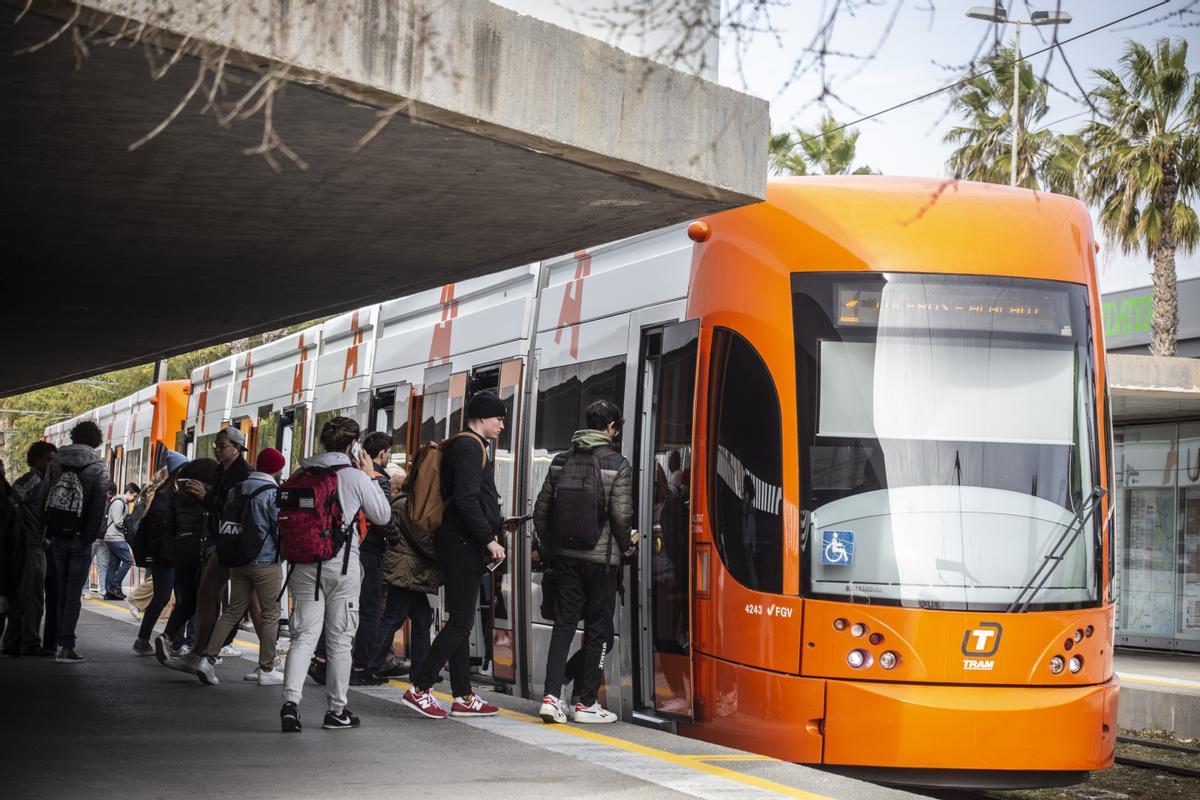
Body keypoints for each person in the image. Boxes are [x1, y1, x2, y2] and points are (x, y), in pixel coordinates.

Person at [401, 391, 508, 720]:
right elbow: (466, 498)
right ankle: (420, 687)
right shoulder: (468, 447)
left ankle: (462, 694)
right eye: (498, 419)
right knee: (461, 620)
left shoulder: (468, 446)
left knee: (461, 620)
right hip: (462, 544)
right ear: (480, 419)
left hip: (460, 542)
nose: (502, 425)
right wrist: (488, 538)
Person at [280, 417, 390, 733]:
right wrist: (369, 474)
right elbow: (382, 515)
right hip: (342, 566)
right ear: (353, 444)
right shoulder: (355, 477)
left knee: (303, 637)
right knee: (340, 640)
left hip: (303, 565)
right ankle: (336, 710)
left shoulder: (302, 474)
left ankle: (290, 705)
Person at [536, 399, 634, 724]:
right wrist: (628, 550)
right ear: (611, 428)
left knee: (563, 626)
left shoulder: (560, 461)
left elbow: (541, 513)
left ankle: (551, 697)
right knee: (598, 630)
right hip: (601, 563)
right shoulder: (617, 463)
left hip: (566, 560)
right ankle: (586, 703)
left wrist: (553, 549)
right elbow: (621, 516)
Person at [165, 426, 264, 670]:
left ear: (237, 448)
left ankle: (266, 662)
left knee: (251, 603)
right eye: (216, 446)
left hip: (238, 545)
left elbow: (234, 510)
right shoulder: (220, 471)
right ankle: (199, 653)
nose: (218, 450)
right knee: (208, 595)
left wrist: (205, 498)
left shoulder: (244, 474)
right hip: (222, 543)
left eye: (223, 446)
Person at [192, 448, 287, 686]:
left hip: (237, 560)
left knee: (233, 611)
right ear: (277, 469)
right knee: (270, 614)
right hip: (264, 562)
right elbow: (279, 527)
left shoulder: (237, 489)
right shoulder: (272, 493)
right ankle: (266, 668)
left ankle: (207, 659)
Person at [40, 420, 110, 663]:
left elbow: (46, 495)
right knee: (72, 593)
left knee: (60, 590)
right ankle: (65, 644)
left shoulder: (57, 461)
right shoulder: (98, 466)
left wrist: (47, 530)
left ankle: (58, 641)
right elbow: (99, 505)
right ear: (95, 440)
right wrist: (88, 536)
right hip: (80, 537)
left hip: (58, 534)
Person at [370, 465, 436, 681]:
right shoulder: (405, 506)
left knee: (421, 618)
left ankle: (421, 671)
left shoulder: (403, 504)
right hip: (405, 572)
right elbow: (421, 541)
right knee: (393, 618)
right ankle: (369, 665)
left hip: (410, 572)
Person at [154, 458, 220, 663]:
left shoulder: (178, 497)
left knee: (188, 600)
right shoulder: (209, 497)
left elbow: (170, 527)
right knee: (210, 601)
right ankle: (204, 651)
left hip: (181, 548)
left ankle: (166, 636)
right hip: (204, 549)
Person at [1, 442, 57, 657]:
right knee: (34, 597)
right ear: (37, 460)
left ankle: (13, 642)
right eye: (48, 459)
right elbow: (12, 501)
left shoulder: (42, 481)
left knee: (22, 596)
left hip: (31, 545)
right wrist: (21, 530)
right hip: (32, 546)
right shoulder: (33, 480)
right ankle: (30, 643)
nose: (51, 464)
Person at [132, 451, 188, 654]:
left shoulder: (166, 494)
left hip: (169, 556)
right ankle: (148, 640)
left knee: (180, 599)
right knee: (164, 597)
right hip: (168, 557)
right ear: (178, 472)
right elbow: (164, 530)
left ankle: (171, 641)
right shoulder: (166, 497)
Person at [102, 482, 139, 600]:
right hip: (115, 537)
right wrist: (128, 526)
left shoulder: (121, 502)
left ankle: (109, 591)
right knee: (128, 560)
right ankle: (115, 585)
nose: (134, 499)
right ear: (128, 492)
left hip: (112, 537)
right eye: (134, 496)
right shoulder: (119, 503)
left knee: (113, 564)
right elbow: (118, 522)